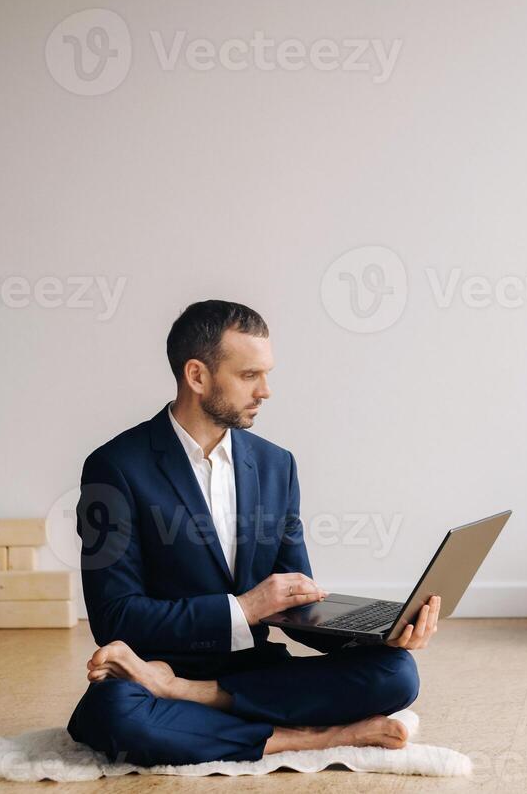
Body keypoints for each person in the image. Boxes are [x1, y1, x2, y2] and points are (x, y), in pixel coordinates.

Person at [66, 300, 440, 766]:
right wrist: (242, 609)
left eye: (267, 374)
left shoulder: (275, 464)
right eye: (249, 376)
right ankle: (311, 739)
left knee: (397, 674)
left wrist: (376, 633)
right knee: (116, 715)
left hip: (250, 673)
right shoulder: (115, 467)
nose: (266, 391)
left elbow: (296, 603)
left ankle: (192, 697)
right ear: (197, 376)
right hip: (150, 670)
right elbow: (114, 618)